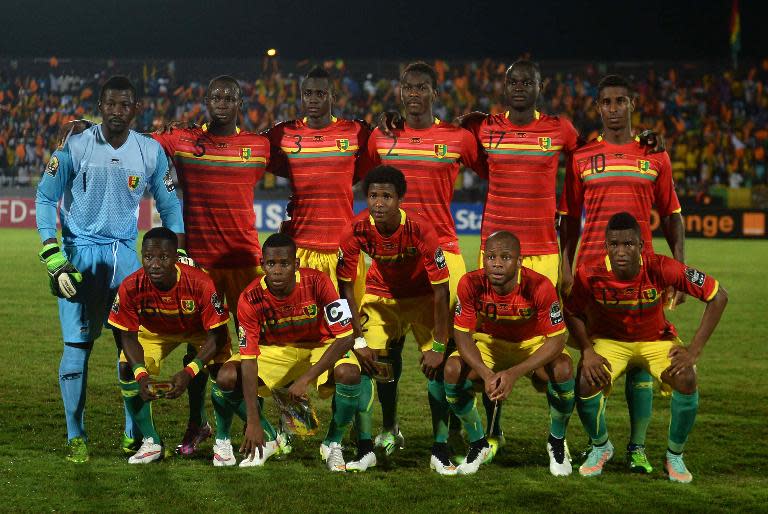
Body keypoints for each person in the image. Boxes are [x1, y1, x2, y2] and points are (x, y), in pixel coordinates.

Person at [57, 75, 272, 455]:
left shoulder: (260, 145)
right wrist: (91, 129)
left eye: (229, 96)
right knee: (201, 346)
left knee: (257, 349)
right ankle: (198, 425)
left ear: (241, 101)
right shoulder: (182, 139)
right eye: (215, 95)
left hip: (245, 261)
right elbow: (125, 138)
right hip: (199, 262)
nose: (221, 101)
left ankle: (266, 426)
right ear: (205, 100)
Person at [35, 76, 184, 463]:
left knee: (130, 350)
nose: (117, 112)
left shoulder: (149, 152)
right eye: (110, 105)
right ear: (99, 106)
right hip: (79, 257)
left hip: (126, 260)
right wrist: (53, 255)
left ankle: (134, 433)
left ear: (136, 109)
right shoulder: (76, 144)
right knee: (75, 349)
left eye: (125, 105)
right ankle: (75, 436)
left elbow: (169, 205)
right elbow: (45, 196)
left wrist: (176, 250)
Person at [559, 74, 686, 473]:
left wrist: (678, 269)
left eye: (620, 101)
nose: (613, 108)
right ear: (598, 108)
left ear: (632, 104)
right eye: (606, 102)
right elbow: (568, 219)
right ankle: (601, 444)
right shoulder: (581, 156)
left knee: (638, 361)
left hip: (641, 277)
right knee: (591, 362)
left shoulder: (654, 155)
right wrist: (565, 266)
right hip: (591, 278)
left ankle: (637, 447)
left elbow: (672, 215)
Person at [366, 61, 483, 454]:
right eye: (408, 88)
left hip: (444, 254)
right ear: (400, 92)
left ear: (435, 93)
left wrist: (479, 121)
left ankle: (446, 433)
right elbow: (360, 176)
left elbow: (494, 166)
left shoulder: (458, 138)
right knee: (386, 350)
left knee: (443, 350)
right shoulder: (382, 138)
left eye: (422, 88)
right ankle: (389, 426)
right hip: (391, 257)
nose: (414, 95)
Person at [565, 212, 727, 482]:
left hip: (656, 340)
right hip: (611, 342)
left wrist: (694, 350)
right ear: (605, 246)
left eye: (628, 244)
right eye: (614, 244)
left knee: (687, 376)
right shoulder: (589, 272)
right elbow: (571, 311)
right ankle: (601, 446)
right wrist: (587, 350)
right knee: (585, 380)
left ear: (641, 246)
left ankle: (674, 456)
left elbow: (718, 296)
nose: (621, 251)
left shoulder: (662, 266)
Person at [336, 165, 452, 473]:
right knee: (370, 362)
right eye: (373, 195)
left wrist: (439, 345)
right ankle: (382, 434)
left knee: (440, 368)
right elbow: (344, 287)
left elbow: (442, 290)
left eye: (387, 196)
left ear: (400, 199)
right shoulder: (356, 228)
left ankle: (441, 447)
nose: (379, 203)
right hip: (381, 295)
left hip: (424, 297)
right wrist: (357, 339)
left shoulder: (420, 228)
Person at [210, 233, 361, 471]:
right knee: (226, 376)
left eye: (284, 264)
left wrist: (305, 379)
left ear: (296, 264)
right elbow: (248, 360)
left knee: (350, 373)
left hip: (318, 346)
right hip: (276, 350)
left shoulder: (319, 282)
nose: (277, 270)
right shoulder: (249, 297)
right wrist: (252, 421)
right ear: (262, 265)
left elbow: (346, 336)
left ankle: (333, 444)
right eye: (271, 264)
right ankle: (268, 438)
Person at [445, 230, 574, 476]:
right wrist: (484, 373)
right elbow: (461, 335)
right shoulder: (470, 283)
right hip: (491, 343)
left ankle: (556, 442)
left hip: (531, 344)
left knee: (563, 369)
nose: (496, 263)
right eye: (491, 257)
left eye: (505, 257)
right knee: (452, 371)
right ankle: (478, 443)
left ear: (519, 261)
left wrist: (514, 373)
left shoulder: (540, 285)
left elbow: (557, 339)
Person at [107, 228, 231, 463]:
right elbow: (127, 336)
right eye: (148, 257)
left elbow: (218, 336)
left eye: (163, 258)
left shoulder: (200, 281)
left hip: (198, 330)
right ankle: (151, 442)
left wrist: (189, 371)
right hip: (156, 332)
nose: (154, 264)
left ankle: (224, 440)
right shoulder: (131, 285)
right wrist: (142, 375)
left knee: (224, 373)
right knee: (126, 368)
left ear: (176, 257)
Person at [264, 66, 372, 302]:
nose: (313, 99)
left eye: (320, 94)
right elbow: (250, 149)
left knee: (350, 328)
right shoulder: (283, 132)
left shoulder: (355, 132)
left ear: (332, 96)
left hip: (343, 249)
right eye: (308, 93)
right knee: (309, 329)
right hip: (301, 248)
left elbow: (376, 156)